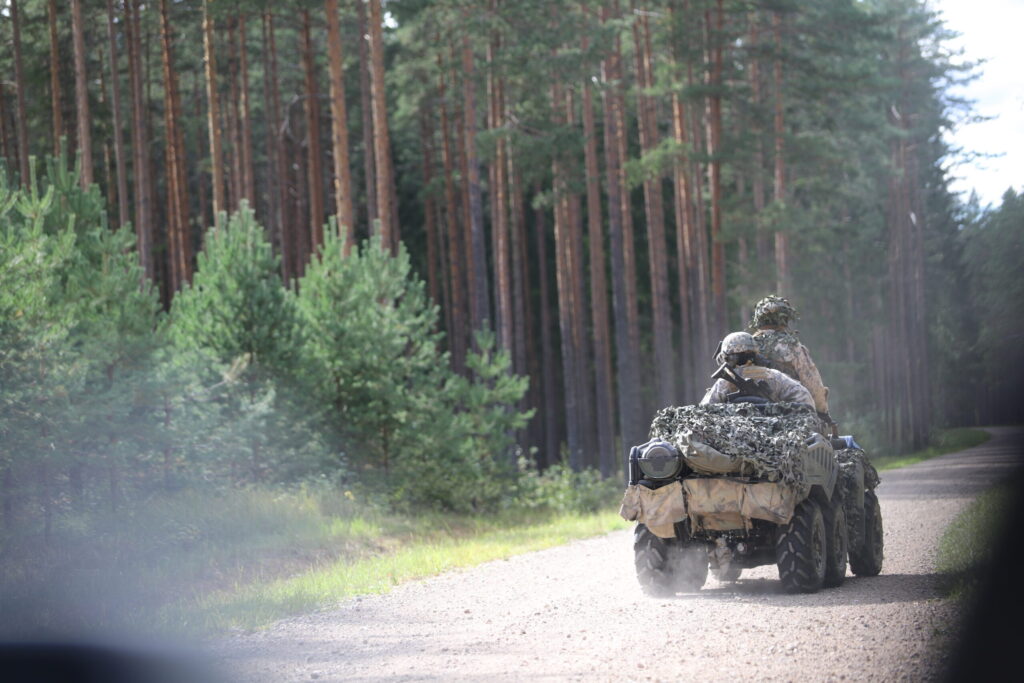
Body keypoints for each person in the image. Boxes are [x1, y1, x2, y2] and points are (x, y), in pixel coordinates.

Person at [748, 295, 832, 420]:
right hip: (787, 416)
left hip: (747, 414)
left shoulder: (745, 345)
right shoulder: (793, 347)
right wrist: (823, 413)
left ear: (758, 319)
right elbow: (813, 387)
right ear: (785, 318)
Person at [701, 332, 814, 407]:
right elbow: (805, 400)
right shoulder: (775, 376)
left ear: (727, 357)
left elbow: (704, 410)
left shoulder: (724, 382)